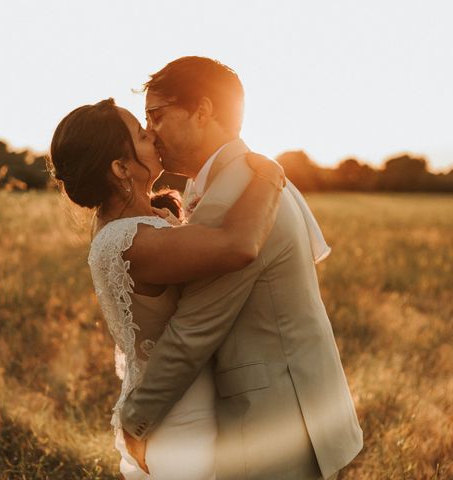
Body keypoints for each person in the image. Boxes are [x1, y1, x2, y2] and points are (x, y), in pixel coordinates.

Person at [119, 56, 363, 480]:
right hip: (300, 407)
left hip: (278, 420)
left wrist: (136, 418)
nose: (151, 131)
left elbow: (195, 328)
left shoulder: (235, 191)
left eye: (156, 116)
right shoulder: (232, 178)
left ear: (203, 110)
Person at [47, 97, 286, 479]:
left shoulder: (123, 223)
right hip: (180, 411)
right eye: (142, 135)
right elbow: (238, 246)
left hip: (163, 399)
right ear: (120, 167)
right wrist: (271, 175)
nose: (154, 136)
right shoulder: (135, 240)